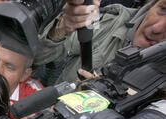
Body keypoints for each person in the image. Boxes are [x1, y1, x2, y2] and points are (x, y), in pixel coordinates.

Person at [34, 0, 166, 83]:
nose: (157, 28)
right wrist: (62, 28)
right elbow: (37, 56)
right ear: (151, 5)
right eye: (163, 9)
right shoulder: (110, 16)